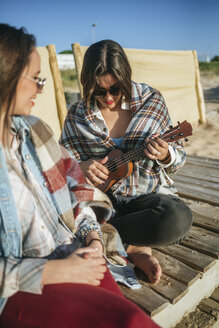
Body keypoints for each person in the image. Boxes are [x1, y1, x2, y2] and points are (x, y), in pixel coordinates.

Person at [0, 24, 161, 328]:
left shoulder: (36, 130)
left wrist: (93, 238)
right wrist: (56, 272)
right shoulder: (76, 115)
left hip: (78, 250)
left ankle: (122, 240)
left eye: (116, 89)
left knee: (134, 317)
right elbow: (79, 173)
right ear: (6, 77)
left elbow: (75, 196)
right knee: (127, 320)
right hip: (26, 282)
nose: (41, 88)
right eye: (36, 79)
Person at [60, 39, 194, 285]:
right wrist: (81, 168)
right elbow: (62, 167)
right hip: (100, 201)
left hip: (146, 200)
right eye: (100, 91)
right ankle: (135, 246)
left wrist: (165, 154)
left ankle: (104, 239)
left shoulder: (151, 101)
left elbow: (178, 159)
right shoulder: (77, 114)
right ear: (87, 83)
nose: (109, 98)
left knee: (177, 219)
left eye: (116, 89)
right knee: (60, 209)